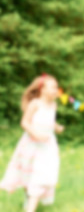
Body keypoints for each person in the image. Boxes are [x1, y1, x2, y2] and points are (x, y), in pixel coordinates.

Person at [0, 74, 64, 212]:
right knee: (30, 176)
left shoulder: (53, 104)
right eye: (52, 87)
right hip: (32, 144)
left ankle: (30, 207)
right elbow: (25, 122)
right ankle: (29, 203)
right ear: (42, 89)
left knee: (41, 176)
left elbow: (49, 120)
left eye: (56, 87)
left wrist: (56, 127)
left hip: (47, 146)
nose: (56, 90)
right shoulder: (35, 104)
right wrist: (36, 134)